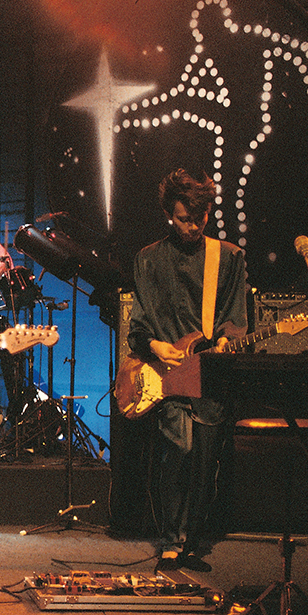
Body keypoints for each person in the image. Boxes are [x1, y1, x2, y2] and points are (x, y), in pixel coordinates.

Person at [126, 168, 248, 572]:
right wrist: (155, 345)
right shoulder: (147, 259)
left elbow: (235, 317)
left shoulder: (228, 257)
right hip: (167, 372)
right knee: (180, 446)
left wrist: (229, 338)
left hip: (210, 374)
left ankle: (191, 540)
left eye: (199, 219)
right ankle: (170, 541)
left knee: (204, 462)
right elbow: (138, 324)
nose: (192, 227)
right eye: (183, 219)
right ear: (168, 214)